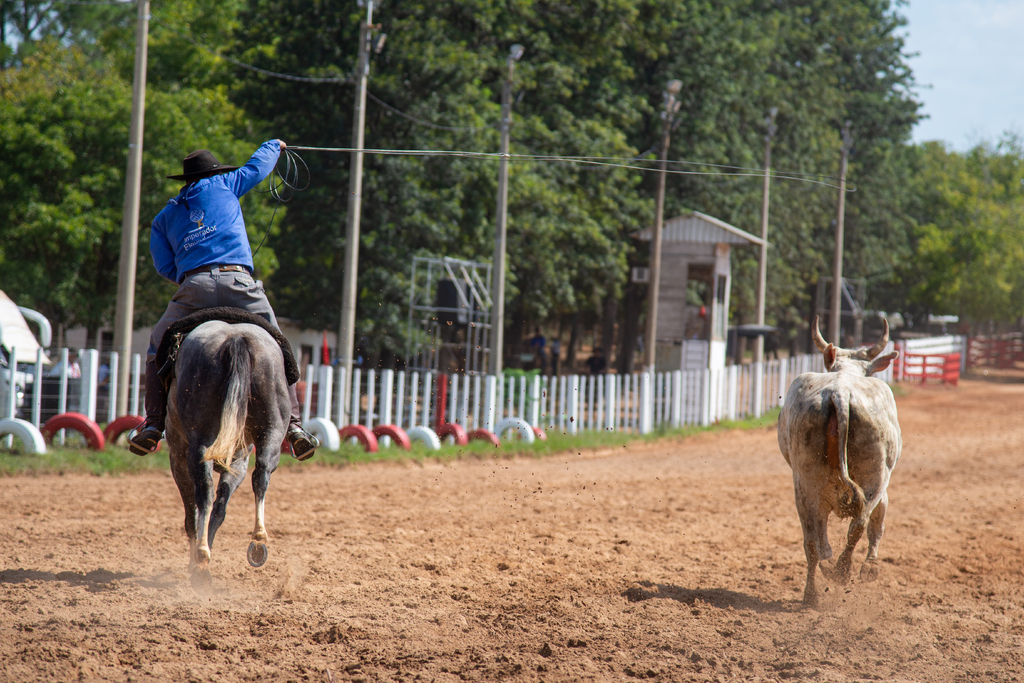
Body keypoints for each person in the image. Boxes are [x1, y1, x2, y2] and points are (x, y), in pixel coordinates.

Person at [128, 141, 320, 459]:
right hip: (240, 283)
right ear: (214, 172)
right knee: (278, 343)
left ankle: (153, 425)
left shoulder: (164, 217)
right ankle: (295, 428)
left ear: (186, 180)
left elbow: (164, 265)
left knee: (156, 346)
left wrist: (194, 278)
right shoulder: (224, 184)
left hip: (194, 287)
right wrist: (274, 146)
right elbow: (257, 168)